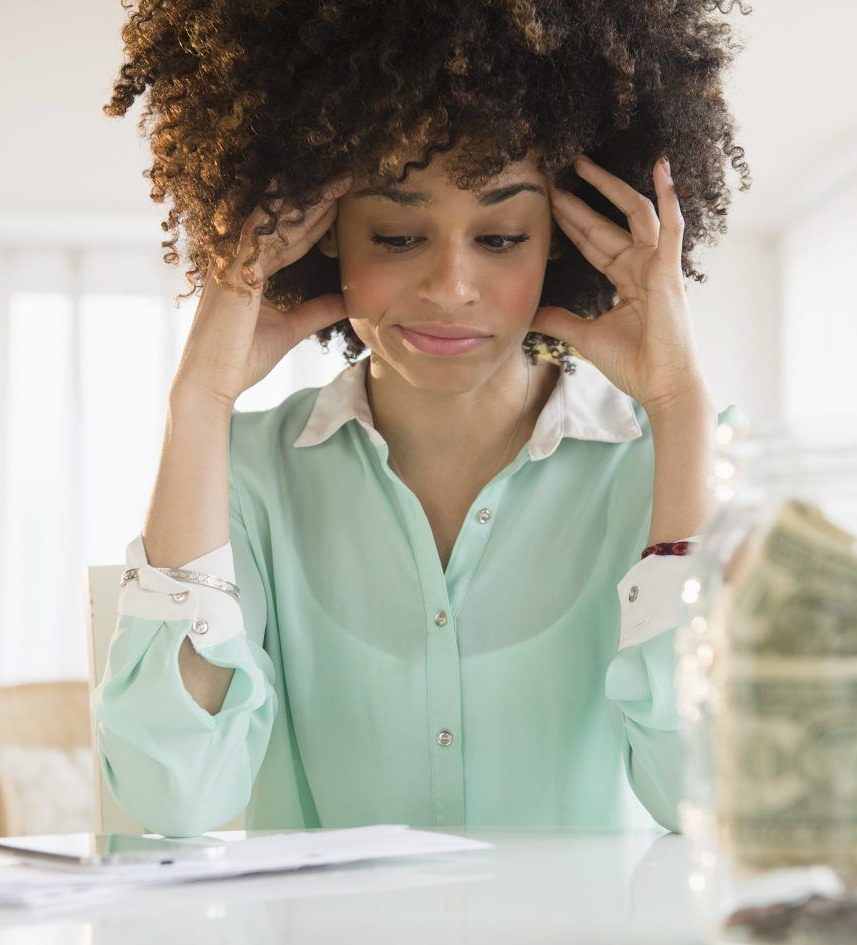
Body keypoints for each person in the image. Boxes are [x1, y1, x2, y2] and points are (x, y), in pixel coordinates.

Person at [92, 0, 752, 837]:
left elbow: (711, 799)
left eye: (503, 236)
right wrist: (199, 401)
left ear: (565, 241)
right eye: (400, 235)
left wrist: (680, 404)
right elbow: (173, 799)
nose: (450, 285)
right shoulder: (246, 473)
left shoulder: (677, 464)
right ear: (323, 233)